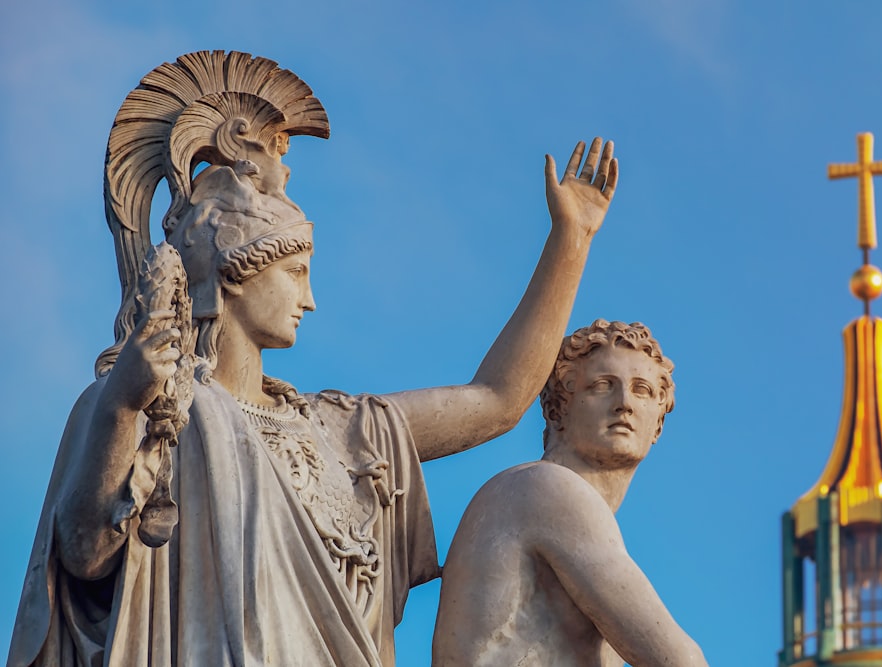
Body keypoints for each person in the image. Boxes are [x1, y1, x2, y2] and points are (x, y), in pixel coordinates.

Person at [8, 51, 618, 667]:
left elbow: (497, 400)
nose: (310, 298)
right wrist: (121, 407)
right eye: (296, 272)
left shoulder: (340, 431)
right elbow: (83, 553)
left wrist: (571, 242)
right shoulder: (145, 403)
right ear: (234, 273)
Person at [432, 320, 708, 667]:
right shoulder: (546, 488)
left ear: (658, 424)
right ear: (557, 409)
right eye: (602, 386)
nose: (624, 403)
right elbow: (678, 660)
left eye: (642, 390)